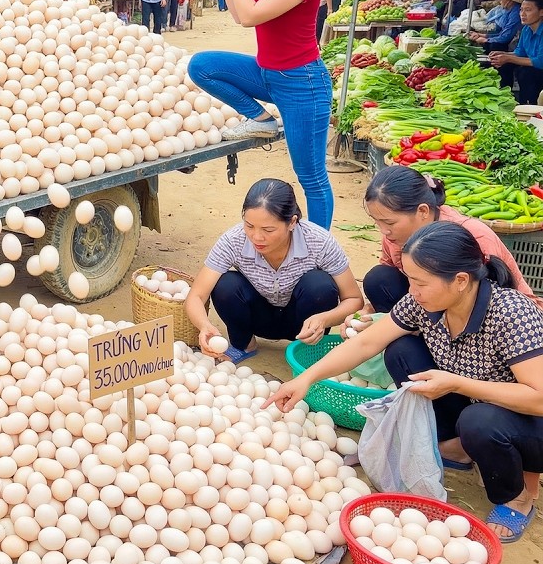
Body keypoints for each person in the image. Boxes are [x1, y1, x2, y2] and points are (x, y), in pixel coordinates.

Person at [267, 221, 543, 543]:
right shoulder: (426, 302)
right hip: (474, 396)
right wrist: (307, 380)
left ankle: (521, 495)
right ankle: (460, 447)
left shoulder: (510, 313)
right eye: (410, 279)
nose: (412, 290)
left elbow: (538, 398)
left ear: (460, 281)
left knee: (479, 420)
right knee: (401, 350)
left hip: (528, 417)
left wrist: (457, 384)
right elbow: (366, 343)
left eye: (420, 282)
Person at [186, 0, 337, 229]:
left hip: (303, 84)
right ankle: (261, 118)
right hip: (267, 73)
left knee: (310, 176)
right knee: (202, 66)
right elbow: (239, 14)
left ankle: (319, 249)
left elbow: (253, 15)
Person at [189, 178, 364, 363]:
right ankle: (244, 344)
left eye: (268, 230)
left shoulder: (319, 241)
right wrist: (204, 326)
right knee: (225, 285)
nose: (256, 237)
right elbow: (196, 296)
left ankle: (307, 352)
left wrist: (324, 319)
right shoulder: (233, 241)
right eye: (249, 226)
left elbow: (353, 299)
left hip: (304, 322)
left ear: (292, 222)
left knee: (319, 285)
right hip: (259, 316)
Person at [362, 165, 543, 313]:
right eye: (377, 222)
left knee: (404, 348)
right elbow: (388, 273)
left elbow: (485, 302)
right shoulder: (395, 236)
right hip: (431, 308)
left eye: (389, 222)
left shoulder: (468, 238)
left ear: (423, 211)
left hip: (483, 318)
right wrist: (371, 313)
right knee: (379, 278)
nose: (384, 231)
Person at [469, 0, 525, 96]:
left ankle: (504, 88)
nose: (500, 1)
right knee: (494, 50)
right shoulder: (506, 11)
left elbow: (505, 37)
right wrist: (484, 36)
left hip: (512, 45)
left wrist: (486, 40)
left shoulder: (515, 13)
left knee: (498, 52)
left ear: (509, 0)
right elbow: (500, 32)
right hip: (514, 47)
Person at [491, 0, 543, 105]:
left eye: (528, 10)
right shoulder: (526, 29)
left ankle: (530, 105)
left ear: (541, 12)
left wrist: (508, 58)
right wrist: (503, 55)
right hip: (534, 68)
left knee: (526, 72)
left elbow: (540, 61)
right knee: (505, 64)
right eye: (521, 10)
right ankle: (505, 98)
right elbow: (520, 52)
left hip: (539, 70)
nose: (522, 14)